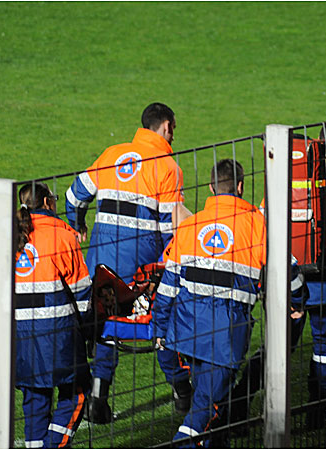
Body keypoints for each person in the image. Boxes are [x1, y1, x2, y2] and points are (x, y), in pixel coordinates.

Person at [226, 118, 326, 430]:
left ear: (318, 142)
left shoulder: (291, 179)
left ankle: (238, 407)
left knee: (276, 346)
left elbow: (263, 224)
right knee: (325, 348)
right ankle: (320, 410)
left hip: (286, 280)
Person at [151, 159, 307, 447]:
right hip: (226, 335)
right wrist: (297, 301)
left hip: (187, 332)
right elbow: (291, 272)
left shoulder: (190, 225)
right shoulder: (258, 224)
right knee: (205, 410)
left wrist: (160, 328)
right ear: (240, 186)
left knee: (210, 403)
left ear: (211, 188)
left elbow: (167, 287)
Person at [65, 102, 192, 422]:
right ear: (165, 126)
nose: (174, 135)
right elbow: (168, 227)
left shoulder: (111, 154)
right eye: (173, 128)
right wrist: (167, 267)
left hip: (101, 260)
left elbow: (74, 195)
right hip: (141, 263)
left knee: (106, 323)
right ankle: (182, 392)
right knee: (164, 323)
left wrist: (77, 223)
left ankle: (97, 398)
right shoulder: (167, 167)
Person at [0, 182, 92, 448]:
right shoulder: (62, 237)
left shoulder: (6, 238)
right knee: (78, 392)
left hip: (16, 341)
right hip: (58, 339)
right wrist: (86, 332)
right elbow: (83, 294)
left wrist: (1, 337)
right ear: (47, 203)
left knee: (35, 402)